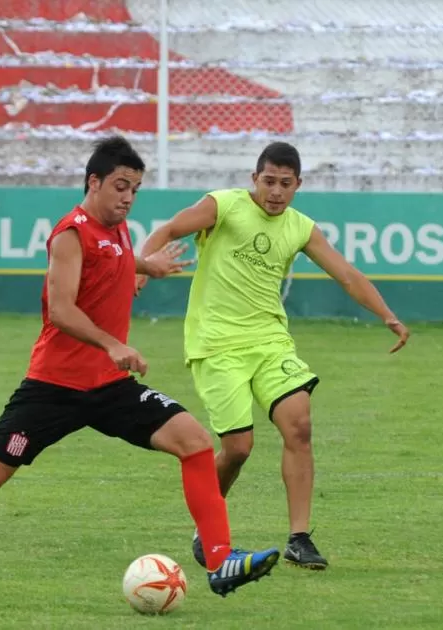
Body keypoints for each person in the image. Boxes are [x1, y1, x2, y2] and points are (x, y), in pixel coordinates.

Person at [0, 136, 280, 598]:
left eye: (135, 189)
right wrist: (112, 343)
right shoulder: (71, 233)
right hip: (53, 387)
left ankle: (218, 562)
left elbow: (111, 272)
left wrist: (146, 267)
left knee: (194, 442)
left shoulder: (117, 229)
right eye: (120, 186)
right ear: (94, 182)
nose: (128, 197)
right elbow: (61, 309)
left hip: (109, 386)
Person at [138, 141, 410, 570]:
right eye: (269, 181)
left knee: (299, 424)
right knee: (239, 447)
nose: (276, 192)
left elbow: (346, 274)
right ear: (254, 179)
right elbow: (171, 228)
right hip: (216, 346)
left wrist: (388, 315)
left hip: (269, 342)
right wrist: (142, 264)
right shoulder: (223, 206)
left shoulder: (300, 228)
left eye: (285, 184)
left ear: (298, 185)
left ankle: (299, 539)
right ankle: (207, 527)